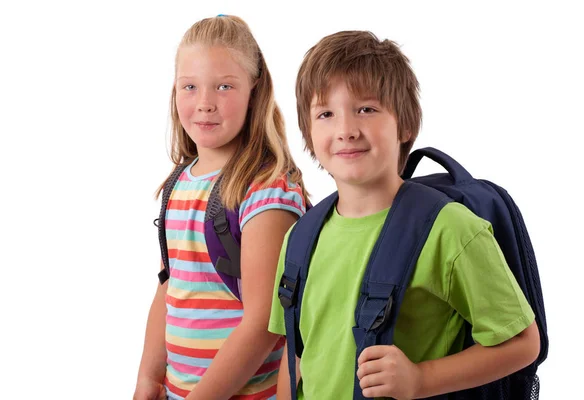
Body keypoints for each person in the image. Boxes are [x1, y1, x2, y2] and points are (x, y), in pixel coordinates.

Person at [268, 30, 540, 399]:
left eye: (366, 109)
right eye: (326, 113)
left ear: (406, 125)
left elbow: (523, 343)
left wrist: (421, 379)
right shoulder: (299, 238)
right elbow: (297, 357)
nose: (346, 130)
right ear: (308, 131)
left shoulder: (450, 229)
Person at [134, 15, 309, 400]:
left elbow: (264, 323)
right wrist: (149, 378)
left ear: (254, 90)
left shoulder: (266, 190)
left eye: (224, 86)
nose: (205, 104)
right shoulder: (180, 181)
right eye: (190, 87)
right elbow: (170, 287)